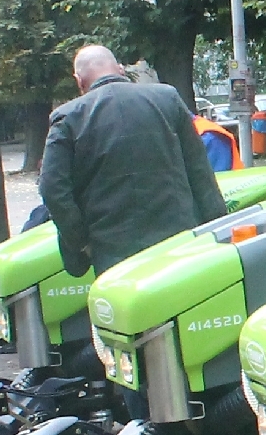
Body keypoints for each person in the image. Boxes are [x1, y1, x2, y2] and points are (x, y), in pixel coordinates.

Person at [40, 45, 228, 277]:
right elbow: (200, 172)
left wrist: (81, 241)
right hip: (178, 243)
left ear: (79, 81)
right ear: (120, 69)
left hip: (113, 252)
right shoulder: (167, 98)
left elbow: (52, 188)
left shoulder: (68, 118)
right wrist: (217, 229)